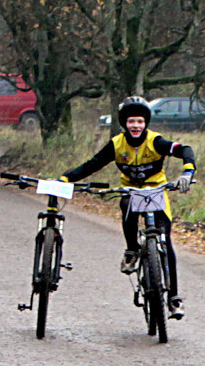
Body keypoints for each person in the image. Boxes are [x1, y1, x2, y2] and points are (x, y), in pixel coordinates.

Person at [62, 96, 195, 319]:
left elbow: (185, 149)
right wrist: (66, 179)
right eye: (132, 121)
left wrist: (188, 171)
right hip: (130, 191)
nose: (136, 126)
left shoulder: (155, 141)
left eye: (140, 122)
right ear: (125, 123)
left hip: (156, 192)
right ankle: (132, 249)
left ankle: (174, 298)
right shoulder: (116, 144)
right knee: (126, 205)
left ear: (146, 124)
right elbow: (93, 164)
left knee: (166, 241)